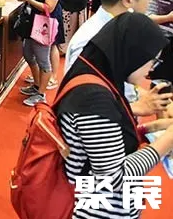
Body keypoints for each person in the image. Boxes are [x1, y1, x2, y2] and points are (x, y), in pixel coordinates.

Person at [57, 13, 173, 219]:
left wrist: (147, 128)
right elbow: (115, 178)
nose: (150, 70)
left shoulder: (93, 74)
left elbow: (102, 142)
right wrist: (168, 139)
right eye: (152, 60)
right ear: (133, 53)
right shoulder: (94, 99)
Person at [66, 0, 173, 117]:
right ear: (128, 0)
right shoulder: (91, 40)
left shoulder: (121, 29)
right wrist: (136, 108)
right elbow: (83, 102)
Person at [6, 0, 63, 106]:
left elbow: (48, 8)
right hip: (31, 26)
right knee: (28, 54)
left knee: (43, 61)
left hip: (43, 28)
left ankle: (41, 94)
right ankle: (37, 85)